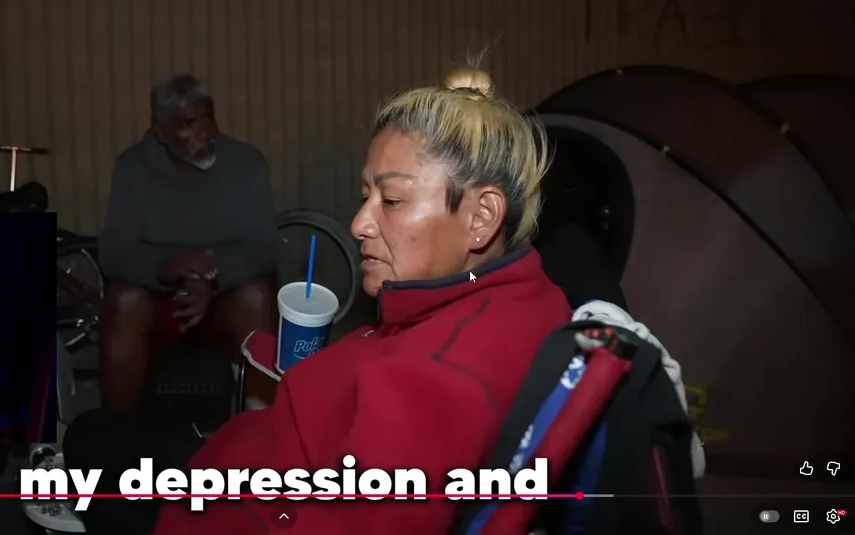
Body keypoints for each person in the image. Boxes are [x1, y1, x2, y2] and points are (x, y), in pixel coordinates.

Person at [65, 65, 573, 533]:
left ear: (482, 217)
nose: (359, 223)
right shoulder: (526, 296)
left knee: (88, 446)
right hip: (252, 458)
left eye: (393, 200)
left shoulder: (437, 383)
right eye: (366, 196)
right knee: (95, 435)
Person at [97, 73, 279, 415]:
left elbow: (264, 246)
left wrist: (211, 275)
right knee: (124, 301)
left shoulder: (245, 163)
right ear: (161, 132)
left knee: (258, 296)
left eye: (208, 118)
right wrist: (164, 266)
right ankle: (118, 434)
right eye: (187, 124)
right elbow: (113, 250)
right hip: (157, 299)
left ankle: (261, 429)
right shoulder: (133, 167)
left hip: (223, 298)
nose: (204, 132)